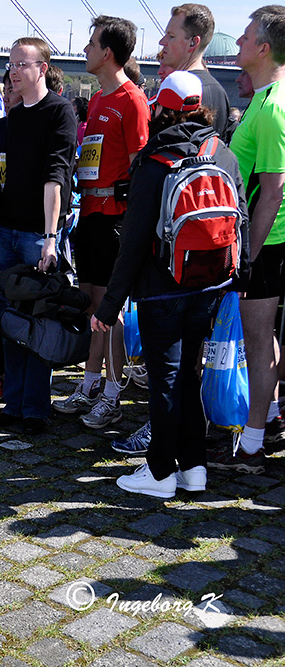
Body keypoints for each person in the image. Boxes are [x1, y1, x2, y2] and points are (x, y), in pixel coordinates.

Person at [90, 71, 248, 497]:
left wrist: (109, 307)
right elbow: (242, 220)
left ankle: (160, 471)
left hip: (163, 287)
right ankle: (194, 467)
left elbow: (135, 242)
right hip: (210, 285)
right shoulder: (222, 152)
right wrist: (241, 274)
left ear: (162, 107)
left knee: (165, 379)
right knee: (187, 377)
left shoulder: (155, 160)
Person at [54, 16, 150, 430]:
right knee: (94, 305)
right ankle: (90, 383)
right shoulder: (96, 100)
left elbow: (140, 171)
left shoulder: (133, 100)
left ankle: (113, 392)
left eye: (91, 44)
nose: (86, 50)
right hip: (88, 216)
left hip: (115, 221)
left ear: (108, 52)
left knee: (112, 308)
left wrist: (119, 199)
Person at [210, 5, 285, 474]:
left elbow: (273, 190)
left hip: (270, 241)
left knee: (257, 340)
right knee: (265, 340)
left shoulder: (274, 106)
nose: (235, 44)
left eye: (243, 38)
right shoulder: (264, 96)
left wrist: (249, 258)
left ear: (263, 48)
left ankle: (253, 446)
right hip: (266, 241)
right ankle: (270, 419)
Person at [0, 37, 78, 435]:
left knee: (38, 323)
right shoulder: (12, 117)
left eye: (21, 64)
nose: (13, 71)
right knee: (11, 322)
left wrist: (50, 237)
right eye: (11, 64)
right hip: (7, 231)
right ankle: (13, 403)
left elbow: (55, 177)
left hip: (35, 234)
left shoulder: (59, 112)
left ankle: (35, 410)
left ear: (42, 68)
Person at [159, 3, 231, 136]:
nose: (162, 42)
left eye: (171, 36)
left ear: (193, 42)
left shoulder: (176, 89)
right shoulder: (220, 93)